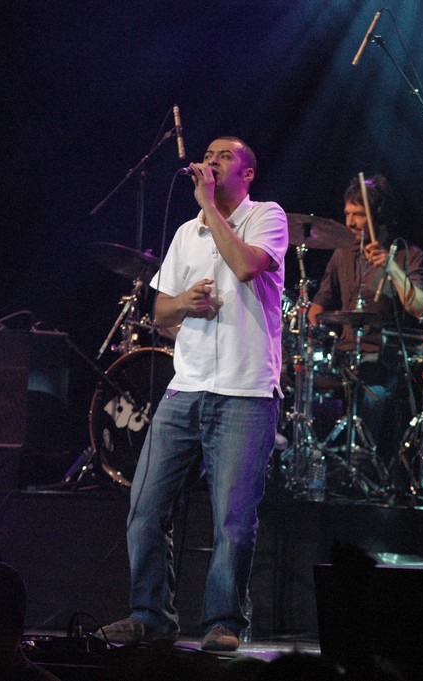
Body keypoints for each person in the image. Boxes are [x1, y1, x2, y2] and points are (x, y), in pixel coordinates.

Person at [100, 136, 289, 651]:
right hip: (186, 389)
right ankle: (150, 616)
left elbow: (248, 267)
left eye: (224, 156)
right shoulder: (186, 233)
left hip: (246, 394)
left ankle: (223, 622)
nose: (211, 161)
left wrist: (210, 206)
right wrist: (184, 302)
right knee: (146, 505)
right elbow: (160, 315)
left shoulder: (268, 216)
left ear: (247, 174)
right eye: (208, 154)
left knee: (233, 518)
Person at [307, 175, 423, 477]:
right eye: (347, 213)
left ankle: (364, 471)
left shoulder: (408, 255)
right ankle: (312, 463)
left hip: (385, 357)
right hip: (344, 355)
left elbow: (420, 308)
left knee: (373, 394)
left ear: (378, 216)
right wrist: (314, 329)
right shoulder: (342, 253)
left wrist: (391, 269)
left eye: (358, 215)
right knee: (298, 382)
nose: (349, 222)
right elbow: (319, 305)